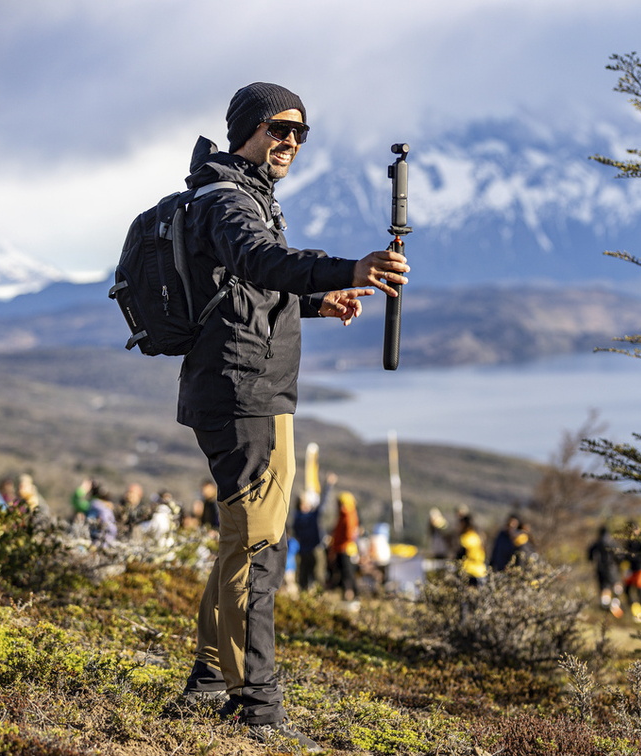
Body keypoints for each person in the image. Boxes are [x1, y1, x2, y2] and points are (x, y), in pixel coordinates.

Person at [176, 82, 408, 751]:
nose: (291, 142)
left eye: (301, 133)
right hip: (243, 391)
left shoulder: (243, 197)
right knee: (257, 545)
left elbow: (245, 288)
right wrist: (351, 265)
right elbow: (258, 260)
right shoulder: (227, 199)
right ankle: (259, 705)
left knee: (245, 540)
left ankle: (211, 681)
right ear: (249, 127)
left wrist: (317, 301)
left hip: (252, 387)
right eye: (281, 127)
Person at [327, 491, 360, 606]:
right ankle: (350, 597)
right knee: (346, 574)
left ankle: (350, 597)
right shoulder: (344, 514)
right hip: (342, 549)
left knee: (347, 575)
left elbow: (349, 534)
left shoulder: (348, 514)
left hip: (346, 550)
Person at [588, 524, 624, 618]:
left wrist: (593, 561)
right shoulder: (612, 542)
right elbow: (620, 556)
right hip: (612, 568)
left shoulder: (597, 542)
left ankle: (606, 607)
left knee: (605, 588)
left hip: (600, 569)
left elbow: (590, 555)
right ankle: (615, 605)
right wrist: (619, 564)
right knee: (616, 586)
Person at [623, 522, 641, 623]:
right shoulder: (629, 542)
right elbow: (626, 555)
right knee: (627, 590)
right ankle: (637, 612)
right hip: (632, 569)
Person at [456, 513, 487, 587]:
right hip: (480, 570)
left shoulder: (466, 538)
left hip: (469, 571)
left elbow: (461, 554)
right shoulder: (478, 536)